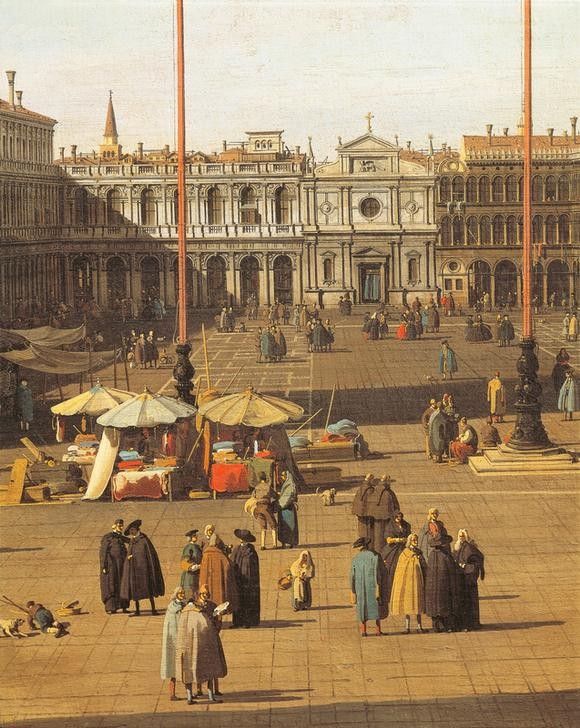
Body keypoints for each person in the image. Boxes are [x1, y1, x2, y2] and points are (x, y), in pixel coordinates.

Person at [175, 587, 228, 705]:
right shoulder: (200, 615)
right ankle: (210, 697)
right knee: (207, 670)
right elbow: (212, 630)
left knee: (188, 672)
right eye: (203, 594)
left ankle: (190, 697)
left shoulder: (185, 613)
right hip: (202, 648)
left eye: (206, 594)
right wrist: (219, 618)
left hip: (187, 648)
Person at [120, 519, 165, 616]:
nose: (131, 532)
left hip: (145, 571)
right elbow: (129, 553)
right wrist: (129, 557)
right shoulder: (133, 541)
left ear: (136, 529)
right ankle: (137, 611)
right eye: (130, 531)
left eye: (132, 530)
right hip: (135, 571)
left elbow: (149, 555)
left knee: (150, 591)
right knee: (135, 592)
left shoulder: (144, 540)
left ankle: (153, 610)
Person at [389, 533, 428, 634]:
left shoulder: (419, 552)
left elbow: (424, 565)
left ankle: (420, 626)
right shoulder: (404, 553)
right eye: (414, 540)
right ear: (409, 541)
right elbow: (400, 570)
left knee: (418, 605)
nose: (415, 541)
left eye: (416, 540)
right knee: (408, 606)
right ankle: (407, 628)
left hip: (418, 581)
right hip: (408, 583)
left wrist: (421, 561)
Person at [424, 532, 460, 633]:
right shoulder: (445, 556)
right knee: (444, 606)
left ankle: (436, 626)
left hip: (432, 587)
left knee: (435, 607)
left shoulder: (431, 555)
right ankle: (444, 626)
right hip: (444, 586)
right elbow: (452, 570)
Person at [453, 529, 485, 631]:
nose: (461, 538)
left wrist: (465, 566)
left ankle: (470, 624)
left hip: (469, 580)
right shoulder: (457, 547)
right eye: (460, 536)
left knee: (469, 603)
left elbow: (477, 562)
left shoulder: (470, 548)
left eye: (463, 536)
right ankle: (463, 624)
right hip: (461, 579)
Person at [198, 537, 238, 613]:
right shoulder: (221, 555)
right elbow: (228, 568)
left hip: (207, 583)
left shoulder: (206, 555)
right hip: (218, 583)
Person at [230, 529, 260, 628]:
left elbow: (252, 568)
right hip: (238, 580)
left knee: (248, 600)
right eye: (241, 539)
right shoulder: (236, 549)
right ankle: (237, 622)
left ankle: (248, 622)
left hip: (248, 581)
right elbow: (232, 562)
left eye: (244, 539)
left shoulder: (251, 551)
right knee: (238, 600)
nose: (241, 541)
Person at [99, 518, 129, 614]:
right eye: (119, 526)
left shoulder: (120, 537)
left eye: (122, 526)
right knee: (111, 586)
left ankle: (124, 607)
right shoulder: (108, 537)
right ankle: (111, 608)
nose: (121, 527)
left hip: (121, 566)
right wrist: (104, 566)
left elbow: (130, 541)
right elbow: (103, 552)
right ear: (114, 526)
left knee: (122, 585)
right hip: (111, 567)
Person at [381, 511, 411, 608]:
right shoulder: (390, 526)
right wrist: (398, 540)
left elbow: (409, 536)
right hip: (392, 550)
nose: (399, 518)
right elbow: (388, 540)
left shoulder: (406, 525)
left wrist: (406, 540)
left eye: (400, 516)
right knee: (391, 571)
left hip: (403, 549)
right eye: (397, 517)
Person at [161, 586, 186, 701]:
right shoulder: (171, 609)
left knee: (186, 670)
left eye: (183, 593)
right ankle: (172, 694)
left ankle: (189, 693)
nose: (182, 595)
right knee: (173, 671)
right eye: (180, 593)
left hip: (183, 640)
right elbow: (170, 628)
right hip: (174, 642)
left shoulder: (184, 606)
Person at [368, 474, 400, 554]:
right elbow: (395, 506)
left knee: (381, 539)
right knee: (382, 538)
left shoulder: (377, 490)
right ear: (387, 481)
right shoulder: (387, 492)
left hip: (381, 519)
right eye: (389, 481)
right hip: (384, 519)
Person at [252, 472, 278, 550]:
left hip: (258, 507)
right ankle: (274, 544)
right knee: (273, 525)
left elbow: (253, 496)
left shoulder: (256, 487)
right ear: (265, 478)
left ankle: (262, 545)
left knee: (263, 527)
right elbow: (275, 496)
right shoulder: (268, 487)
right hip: (266, 507)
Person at [351, 473, 376, 543]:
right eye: (373, 480)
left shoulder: (361, 487)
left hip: (360, 511)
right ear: (370, 480)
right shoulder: (370, 489)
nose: (374, 481)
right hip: (366, 512)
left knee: (362, 528)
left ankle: (362, 542)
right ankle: (367, 543)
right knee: (367, 529)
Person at [277, 469, 299, 548]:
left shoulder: (290, 485)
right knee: (284, 526)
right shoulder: (286, 484)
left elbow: (289, 497)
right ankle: (284, 542)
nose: (282, 477)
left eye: (283, 476)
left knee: (289, 526)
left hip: (288, 508)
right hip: (285, 508)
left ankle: (290, 542)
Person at [180, 529, 202, 599]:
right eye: (194, 536)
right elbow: (184, 561)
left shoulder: (198, 546)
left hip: (197, 573)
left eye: (196, 535)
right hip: (190, 574)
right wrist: (192, 567)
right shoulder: (189, 547)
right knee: (190, 591)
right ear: (190, 537)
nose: (196, 537)